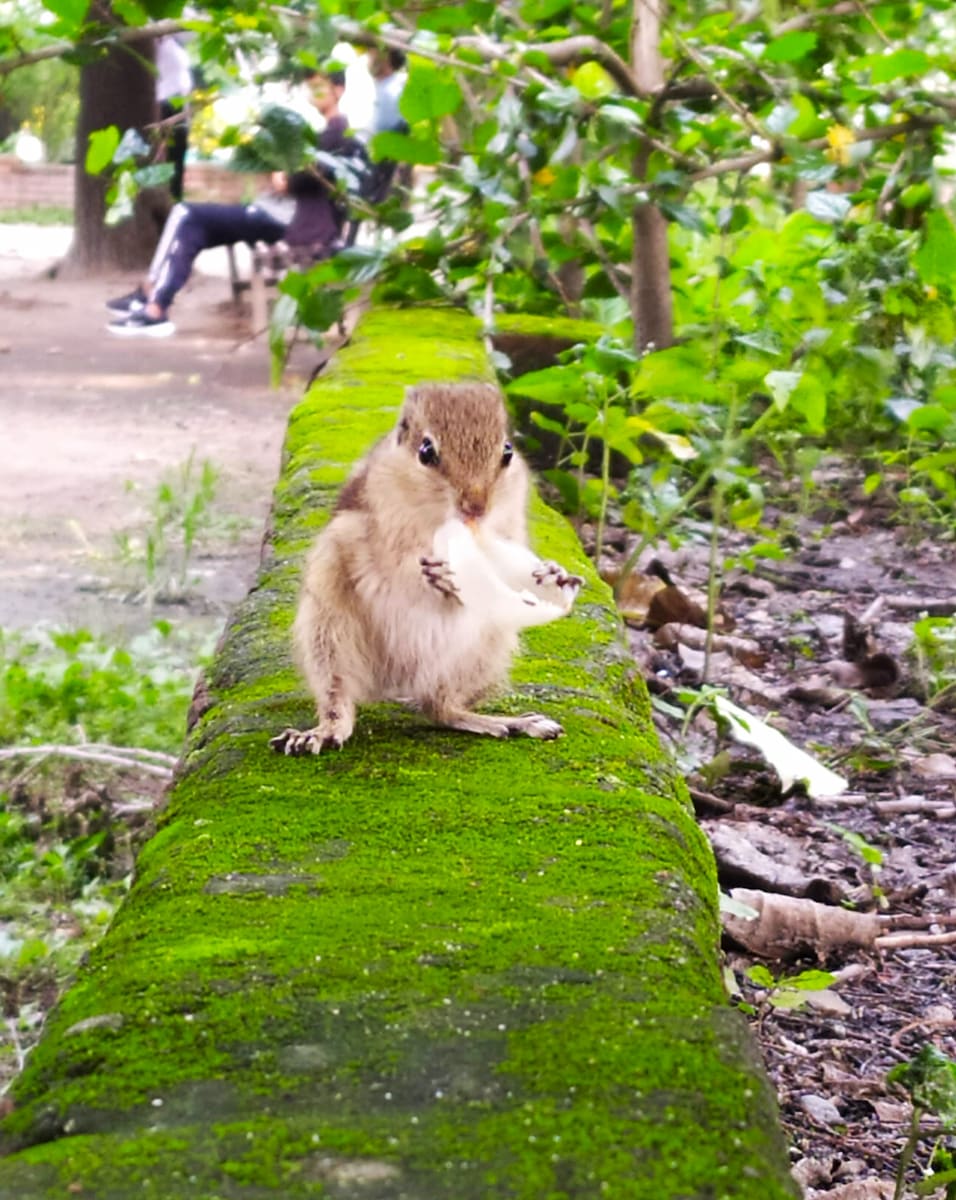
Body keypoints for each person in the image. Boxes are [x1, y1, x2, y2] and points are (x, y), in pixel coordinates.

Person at [107, 71, 363, 338]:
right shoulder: (325, 133)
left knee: (186, 212)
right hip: (276, 214)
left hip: (287, 220)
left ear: (339, 89)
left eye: (319, 87)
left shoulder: (338, 132)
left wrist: (283, 177)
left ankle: (152, 301)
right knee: (194, 227)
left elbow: (302, 180)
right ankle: (154, 303)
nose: (312, 93)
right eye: (309, 86)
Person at [155, 34, 193, 203]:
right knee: (168, 154)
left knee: (177, 155)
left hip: (178, 102)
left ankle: (174, 199)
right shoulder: (156, 44)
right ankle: (167, 197)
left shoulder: (172, 42)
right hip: (164, 102)